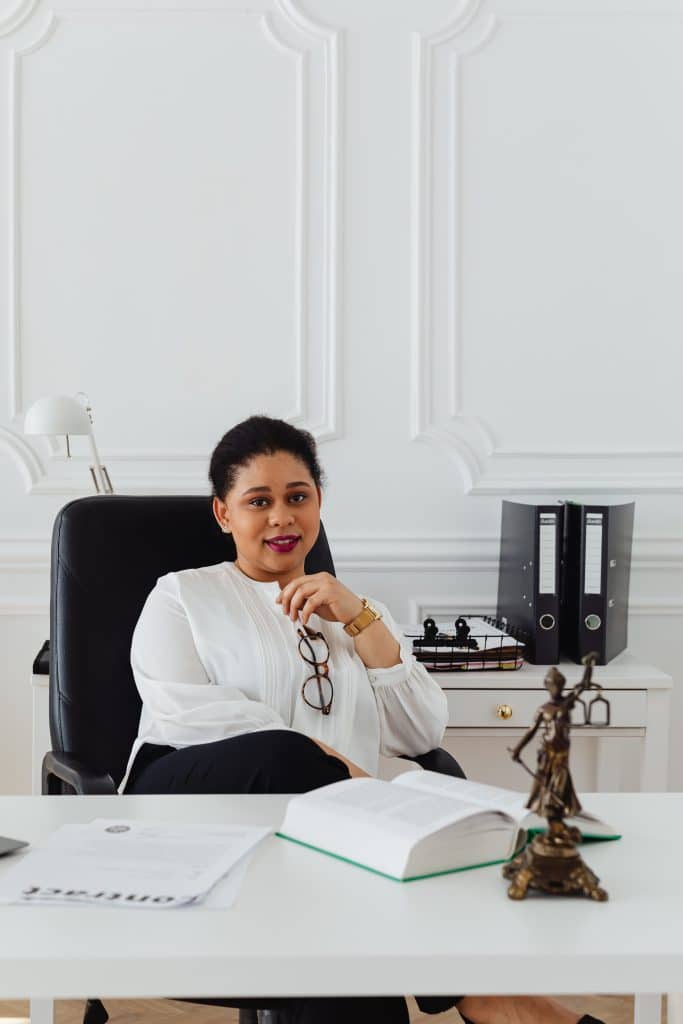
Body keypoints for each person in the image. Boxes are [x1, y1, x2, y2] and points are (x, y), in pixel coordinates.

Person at [122, 415, 605, 1024]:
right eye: (258, 501)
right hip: (194, 808)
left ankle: (480, 988)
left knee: (422, 804)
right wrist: (343, 771)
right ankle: (487, 991)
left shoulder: (350, 606)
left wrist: (362, 621)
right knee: (286, 757)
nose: (281, 517)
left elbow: (421, 732)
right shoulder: (182, 595)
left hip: (330, 831)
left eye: (298, 497)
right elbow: (190, 716)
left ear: (319, 501)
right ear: (224, 514)